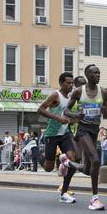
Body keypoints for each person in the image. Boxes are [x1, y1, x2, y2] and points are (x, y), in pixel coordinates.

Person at [65, 65, 107, 210]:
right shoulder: (79, 92)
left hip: (94, 131)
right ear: (87, 75)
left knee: (87, 168)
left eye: (99, 72)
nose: (98, 75)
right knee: (96, 160)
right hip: (83, 130)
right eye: (94, 73)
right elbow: (66, 111)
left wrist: (104, 111)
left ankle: (69, 164)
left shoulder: (103, 92)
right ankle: (94, 199)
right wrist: (76, 115)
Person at [37, 72, 82, 204]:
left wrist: (73, 119)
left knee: (73, 160)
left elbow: (67, 114)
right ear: (61, 83)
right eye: (68, 83)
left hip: (64, 133)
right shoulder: (55, 95)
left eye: (72, 83)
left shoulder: (71, 98)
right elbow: (40, 109)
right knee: (48, 167)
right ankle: (33, 149)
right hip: (52, 134)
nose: (70, 85)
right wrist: (58, 118)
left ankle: (64, 193)